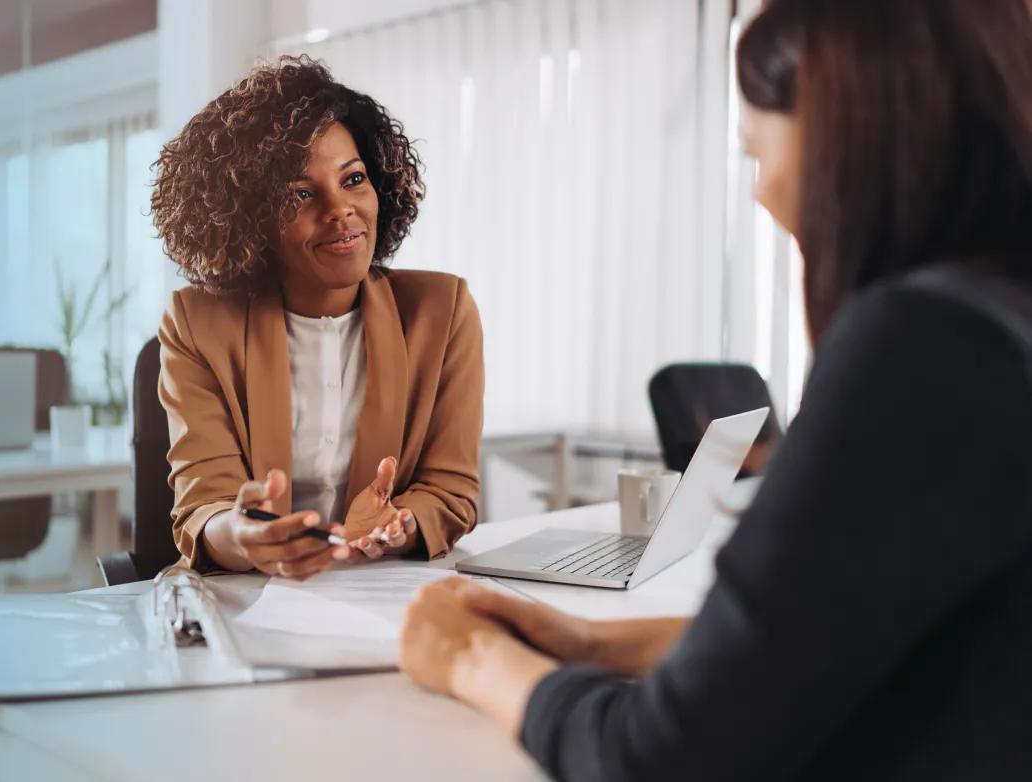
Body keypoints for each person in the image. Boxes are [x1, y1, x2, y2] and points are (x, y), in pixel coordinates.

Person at [399, 0, 1032, 778]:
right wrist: (592, 643)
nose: (763, 194)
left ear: (849, 133)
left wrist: (472, 661)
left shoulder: (924, 346)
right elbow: (823, 642)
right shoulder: (998, 320)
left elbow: (665, 759)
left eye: (757, 152)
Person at [152, 56, 483, 579]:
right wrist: (247, 537)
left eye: (353, 179)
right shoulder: (197, 322)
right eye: (301, 194)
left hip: (385, 594)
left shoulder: (441, 312)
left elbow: (451, 490)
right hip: (247, 598)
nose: (340, 209)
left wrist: (400, 526)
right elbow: (204, 507)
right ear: (251, 217)